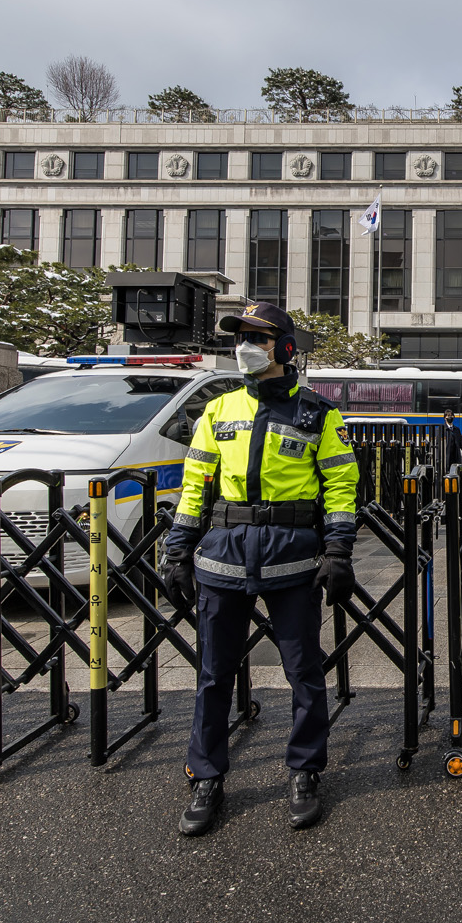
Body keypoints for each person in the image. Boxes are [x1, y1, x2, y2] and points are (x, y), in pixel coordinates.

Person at [164, 301, 360, 835]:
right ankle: (206, 777)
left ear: (286, 347)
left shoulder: (319, 414)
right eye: (242, 335)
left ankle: (304, 770)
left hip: (291, 557)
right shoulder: (218, 410)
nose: (247, 346)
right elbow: (194, 487)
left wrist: (339, 551)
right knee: (213, 675)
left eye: (260, 336)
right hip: (223, 557)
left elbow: (342, 487)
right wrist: (178, 549)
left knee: (304, 672)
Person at [440, 408, 462, 476]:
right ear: (444, 418)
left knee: (457, 475)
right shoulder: (441, 430)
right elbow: (438, 446)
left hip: (456, 457)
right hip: (446, 459)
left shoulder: (456, 430)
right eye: (448, 415)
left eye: (451, 415)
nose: (450, 417)